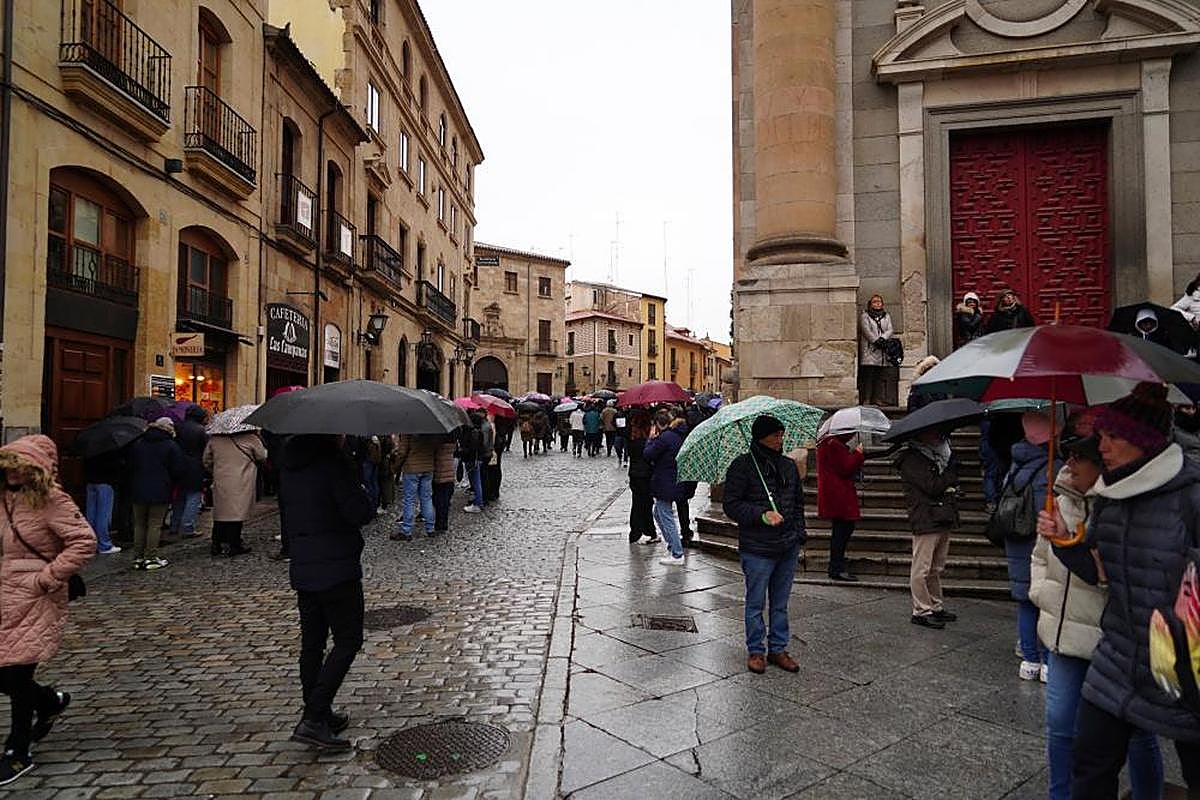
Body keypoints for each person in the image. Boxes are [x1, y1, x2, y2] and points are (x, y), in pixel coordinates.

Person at [1041, 382, 1200, 796]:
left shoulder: (1191, 496)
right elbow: (1099, 571)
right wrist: (1064, 539)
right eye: (1102, 435)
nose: (1102, 446)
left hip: (1183, 666)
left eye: (1113, 436)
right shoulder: (1110, 496)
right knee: (1090, 765)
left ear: (1143, 441)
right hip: (1117, 657)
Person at [1030, 433, 1164, 800]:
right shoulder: (1059, 501)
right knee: (1059, 725)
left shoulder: (1121, 506)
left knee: (1137, 731)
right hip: (1064, 636)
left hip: (1114, 640)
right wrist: (1041, 593)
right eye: (1069, 455)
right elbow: (1039, 557)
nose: (1070, 464)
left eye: (1080, 457)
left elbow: (1117, 573)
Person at [0, 436, 95, 786]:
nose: (13, 473)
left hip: (35, 594)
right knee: (6, 673)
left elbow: (84, 540)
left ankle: (18, 750)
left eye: (20, 466)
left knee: (17, 673)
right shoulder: (3, 497)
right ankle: (49, 701)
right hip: (4, 591)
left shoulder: (52, 499)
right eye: (9, 465)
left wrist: (48, 577)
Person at [279, 435, 375, 751]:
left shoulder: (289, 465)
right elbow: (358, 513)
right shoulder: (335, 464)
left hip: (304, 564)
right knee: (348, 639)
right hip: (336, 565)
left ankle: (318, 713)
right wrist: (360, 487)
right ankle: (314, 716)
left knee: (313, 645)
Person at [722, 415, 806, 675]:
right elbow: (731, 505)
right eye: (775, 435)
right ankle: (756, 650)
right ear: (761, 437)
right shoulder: (742, 466)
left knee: (780, 603)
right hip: (757, 547)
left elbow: (798, 503)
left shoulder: (788, 466)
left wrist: (799, 533)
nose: (780, 440)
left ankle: (778, 648)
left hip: (787, 544)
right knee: (755, 603)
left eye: (781, 435)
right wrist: (761, 514)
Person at [1005, 410, 1059, 680]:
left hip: (1017, 542)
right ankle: (1047, 659)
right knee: (1047, 603)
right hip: (1039, 545)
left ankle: (1029, 659)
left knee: (1026, 602)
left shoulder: (1016, 464)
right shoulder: (1052, 468)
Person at [895, 427, 960, 629]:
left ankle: (935, 605)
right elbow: (932, 486)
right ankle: (921, 610)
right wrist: (949, 474)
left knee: (935, 567)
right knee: (922, 568)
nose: (937, 436)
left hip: (941, 516)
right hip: (925, 517)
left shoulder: (936, 456)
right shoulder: (912, 459)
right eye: (932, 433)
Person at [126, 417, 185, 570]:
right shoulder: (170, 445)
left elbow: (130, 466)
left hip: (138, 488)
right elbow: (177, 469)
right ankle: (151, 557)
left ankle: (138, 557)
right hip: (160, 489)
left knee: (139, 524)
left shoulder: (138, 443)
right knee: (154, 524)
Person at [203, 429, 267, 557]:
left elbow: (206, 460)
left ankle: (216, 543)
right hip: (242, 479)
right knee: (237, 512)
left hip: (221, 479)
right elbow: (262, 456)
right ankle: (234, 544)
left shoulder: (215, 439)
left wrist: (216, 471)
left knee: (221, 512)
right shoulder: (250, 438)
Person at [643, 408, 689, 565]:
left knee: (665, 516)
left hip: (665, 481)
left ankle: (677, 553)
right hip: (672, 479)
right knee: (658, 512)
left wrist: (650, 439)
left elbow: (648, 454)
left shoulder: (665, 438)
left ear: (657, 424)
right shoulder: (676, 435)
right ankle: (672, 545)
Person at [816, 432, 865, 582]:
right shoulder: (834, 445)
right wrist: (858, 453)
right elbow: (846, 467)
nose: (852, 435)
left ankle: (837, 565)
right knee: (842, 531)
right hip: (839, 493)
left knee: (841, 530)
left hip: (835, 492)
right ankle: (836, 567)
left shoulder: (830, 443)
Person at [170, 405, 209, 539]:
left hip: (178, 466)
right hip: (195, 467)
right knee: (193, 497)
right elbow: (205, 450)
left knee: (179, 498)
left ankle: (174, 525)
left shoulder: (178, 427)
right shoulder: (201, 430)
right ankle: (187, 527)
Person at [391, 434, 438, 540]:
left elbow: (402, 452)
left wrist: (396, 467)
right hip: (428, 467)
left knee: (409, 500)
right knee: (426, 498)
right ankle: (430, 528)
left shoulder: (408, 431)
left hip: (412, 468)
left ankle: (406, 530)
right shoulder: (431, 430)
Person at [83, 446, 123, 554]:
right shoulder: (109, 448)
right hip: (105, 481)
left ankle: (91, 543)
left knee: (91, 514)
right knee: (103, 515)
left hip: (90, 481)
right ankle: (104, 544)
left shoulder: (89, 446)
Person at [858, 294, 895, 406]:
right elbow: (866, 330)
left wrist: (883, 339)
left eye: (879, 302)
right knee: (869, 375)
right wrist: (875, 340)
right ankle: (867, 398)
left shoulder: (886, 316)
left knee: (879, 376)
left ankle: (878, 398)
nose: (877, 304)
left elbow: (890, 329)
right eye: (875, 302)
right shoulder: (865, 316)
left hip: (882, 350)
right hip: (870, 350)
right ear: (870, 304)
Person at [626, 412, 657, 544]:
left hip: (634, 474)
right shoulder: (646, 442)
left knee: (637, 503)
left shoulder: (632, 440)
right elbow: (650, 456)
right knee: (646, 504)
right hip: (645, 475)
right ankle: (648, 530)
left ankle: (636, 531)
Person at [461, 411, 490, 513]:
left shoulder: (472, 432)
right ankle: (477, 501)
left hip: (472, 459)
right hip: (477, 459)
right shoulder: (480, 431)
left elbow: (471, 448)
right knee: (476, 481)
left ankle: (478, 503)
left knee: (476, 481)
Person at [432, 436, 457, 534]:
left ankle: (439, 523)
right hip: (449, 473)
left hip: (440, 472)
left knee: (439, 500)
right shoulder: (453, 439)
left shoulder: (437, 443)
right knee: (445, 500)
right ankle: (444, 523)